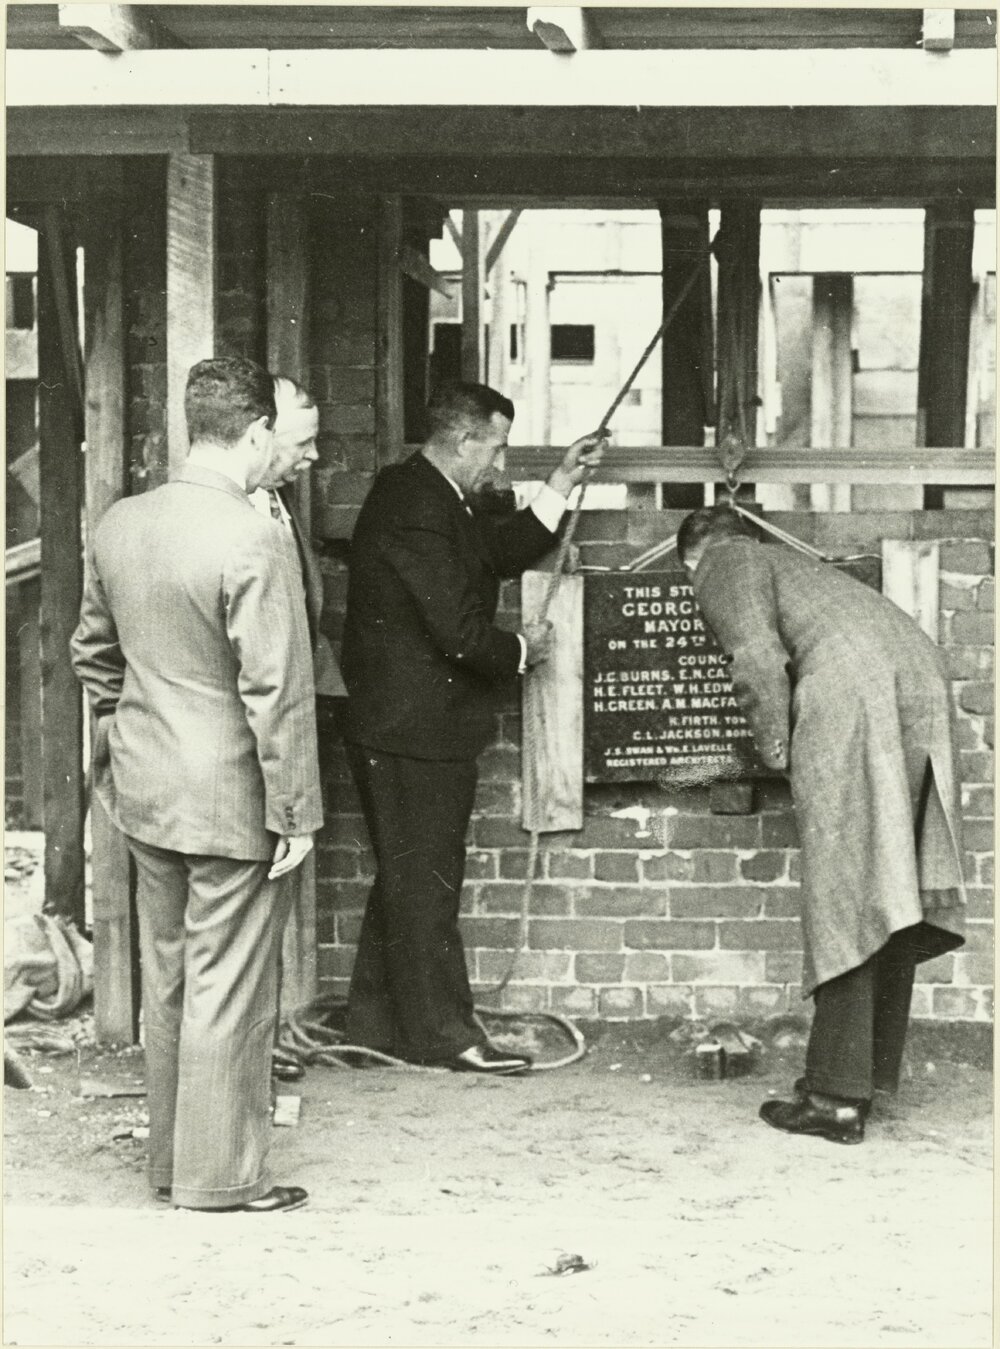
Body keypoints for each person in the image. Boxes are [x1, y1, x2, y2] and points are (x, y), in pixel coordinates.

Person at [70, 356, 323, 1211]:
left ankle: (171, 1163)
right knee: (230, 986)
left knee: (172, 977)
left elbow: (93, 655)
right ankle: (219, 1179)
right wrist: (296, 812)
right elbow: (276, 689)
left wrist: (127, 735)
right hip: (233, 795)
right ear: (255, 432)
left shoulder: (121, 522)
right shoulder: (253, 536)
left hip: (146, 790)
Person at [677, 504, 966, 1144]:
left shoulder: (723, 559)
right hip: (917, 681)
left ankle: (835, 1098)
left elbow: (756, 659)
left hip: (853, 694)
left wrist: (778, 751)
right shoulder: (800, 570)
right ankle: (865, 1075)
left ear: (693, 555)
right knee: (889, 883)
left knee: (844, 890)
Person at [341, 381, 605, 1073]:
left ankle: (373, 1026)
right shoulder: (418, 508)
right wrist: (522, 649)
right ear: (463, 441)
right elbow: (458, 632)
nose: (501, 463)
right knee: (425, 882)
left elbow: (494, 553)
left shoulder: (432, 495)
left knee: (407, 877)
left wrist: (561, 481)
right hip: (410, 728)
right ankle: (444, 1036)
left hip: (405, 725)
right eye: (498, 448)